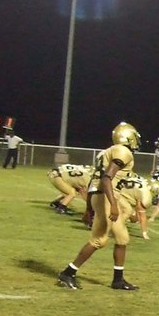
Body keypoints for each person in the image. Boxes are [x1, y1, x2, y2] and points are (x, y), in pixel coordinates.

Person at [56, 122, 142, 290]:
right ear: (129, 138)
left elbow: (93, 182)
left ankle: (118, 280)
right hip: (107, 197)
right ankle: (68, 273)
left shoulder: (107, 152)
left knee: (122, 238)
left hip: (100, 195)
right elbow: (106, 179)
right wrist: (113, 205)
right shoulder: (123, 152)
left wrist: (89, 208)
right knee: (99, 240)